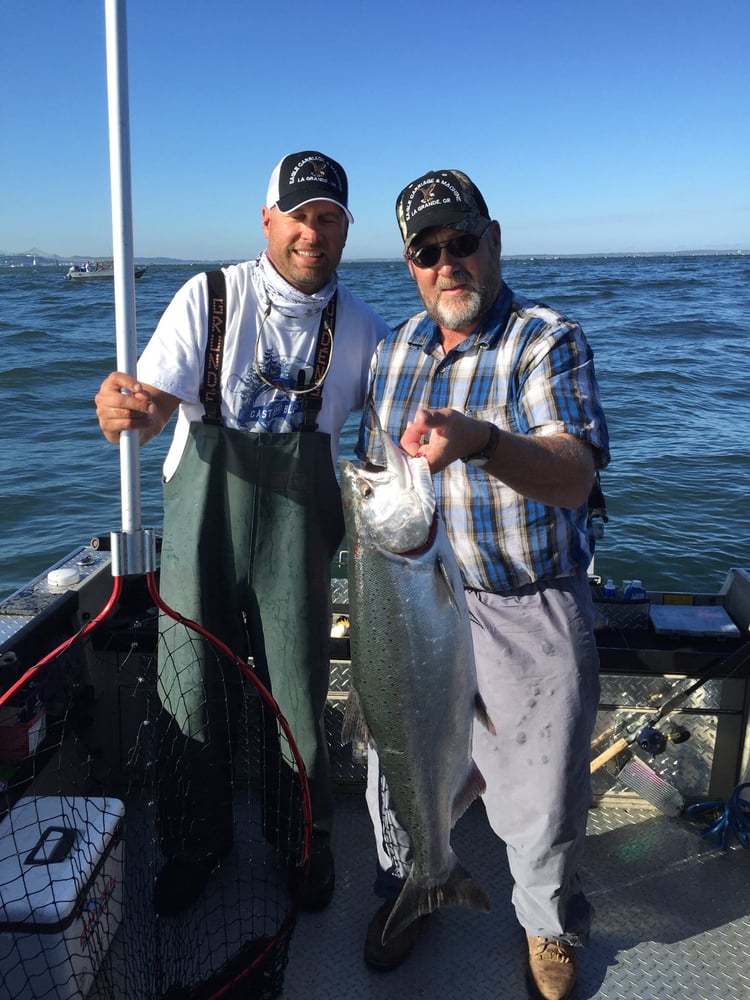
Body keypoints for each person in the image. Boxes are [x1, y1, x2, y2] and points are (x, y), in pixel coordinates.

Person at [95, 150, 390, 916]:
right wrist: (128, 409)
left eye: (329, 219)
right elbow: (155, 405)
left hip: (298, 540)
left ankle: (302, 843)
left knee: (298, 694)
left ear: (345, 230)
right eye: (299, 216)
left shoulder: (364, 331)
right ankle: (198, 844)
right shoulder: (210, 298)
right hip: (202, 529)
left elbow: (394, 448)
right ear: (268, 220)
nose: (312, 234)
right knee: (188, 687)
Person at [357, 169, 610, 1000]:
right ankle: (420, 880)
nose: (447, 263)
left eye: (461, 241)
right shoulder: (392, 354)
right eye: (427, 251)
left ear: (493, 240)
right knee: (396, 763)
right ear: (410, 264)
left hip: (525, 599)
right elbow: (371, 476)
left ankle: (545, 921)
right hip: (410, 596)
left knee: (540, 794)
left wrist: (483, 442)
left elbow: (573, 474)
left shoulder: (546, 339)